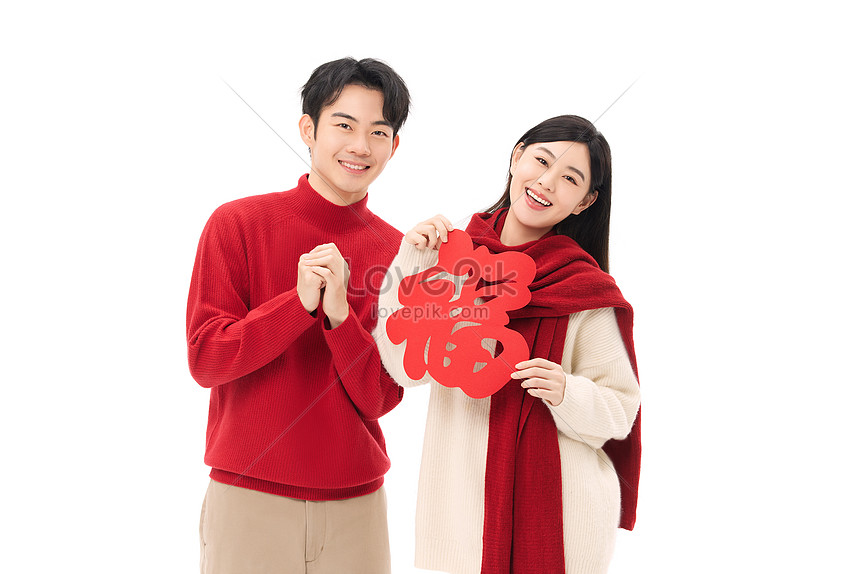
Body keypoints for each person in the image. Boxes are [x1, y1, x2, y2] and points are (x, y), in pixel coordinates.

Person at [374, 115, 641, 574]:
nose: (547, 182)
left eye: (570, 179)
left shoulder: (584, 290)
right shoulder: (450, 257)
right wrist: (413, 259)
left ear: (585, 201)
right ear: (517, 157)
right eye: (542, 160)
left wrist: (566, 391)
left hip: (562, 520)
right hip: (460, 516)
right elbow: (400, 366)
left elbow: (621, 410)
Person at [186, 57, 410, 574]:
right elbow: (207, 360)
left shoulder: (400, 252)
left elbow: (382, 394)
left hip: (358, 504)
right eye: (344, 125)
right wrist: (298, 304)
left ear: (393, 147)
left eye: (379, 131)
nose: (360, 146)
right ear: (308, 129)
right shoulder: (237, 224)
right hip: (250, 499)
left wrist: (338, 318)